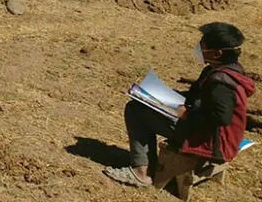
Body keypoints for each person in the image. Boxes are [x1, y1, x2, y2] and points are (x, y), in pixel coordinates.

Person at [104, 22, 255, 187]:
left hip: (211, 142)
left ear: (217, 53)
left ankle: (142, 172)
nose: (199, 47)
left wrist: (188, 115)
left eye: (203, 45)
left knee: (135, 110)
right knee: (142, 105)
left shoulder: (220, 84)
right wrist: (160, 95)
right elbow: (195, 96)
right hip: (216, 136)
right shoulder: (226, 70)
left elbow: (221, 117)